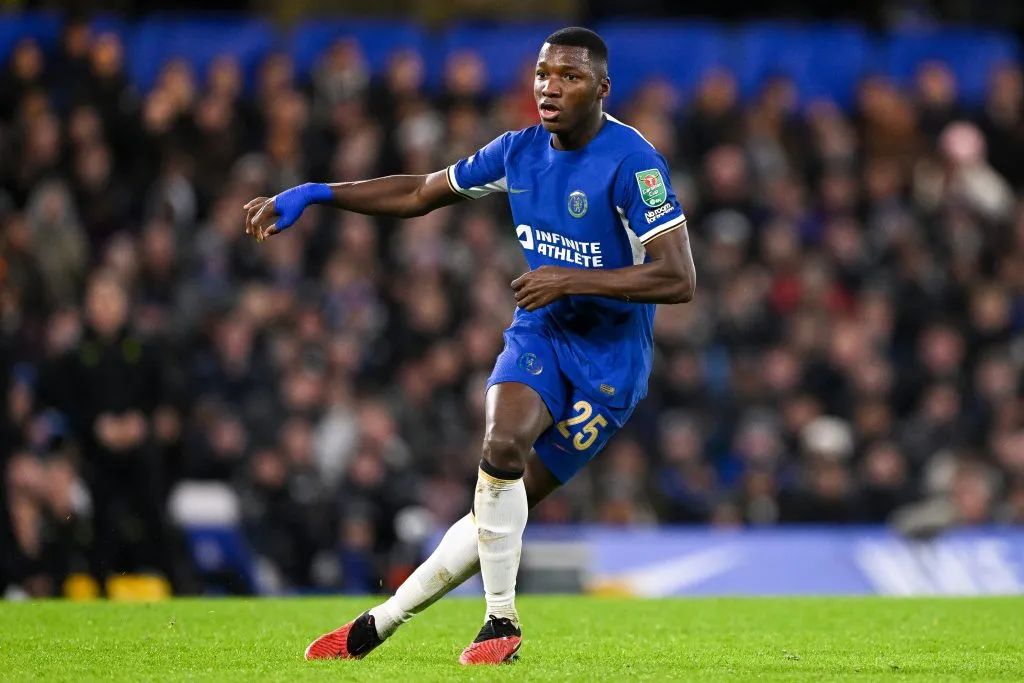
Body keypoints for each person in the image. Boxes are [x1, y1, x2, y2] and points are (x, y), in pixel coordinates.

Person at [245, 26, 696, 666]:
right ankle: (499, 622)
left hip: (610, 364)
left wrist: (569, 277)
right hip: (542, 329)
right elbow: (421, 191)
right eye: (542, 74)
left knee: (505, 502)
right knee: (500, 447)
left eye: (568, 76)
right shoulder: (516, 152)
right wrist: (319, 193)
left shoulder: (634, 163)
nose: (549, 87)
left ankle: (381, 620)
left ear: (601, 89)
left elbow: (679, 278)